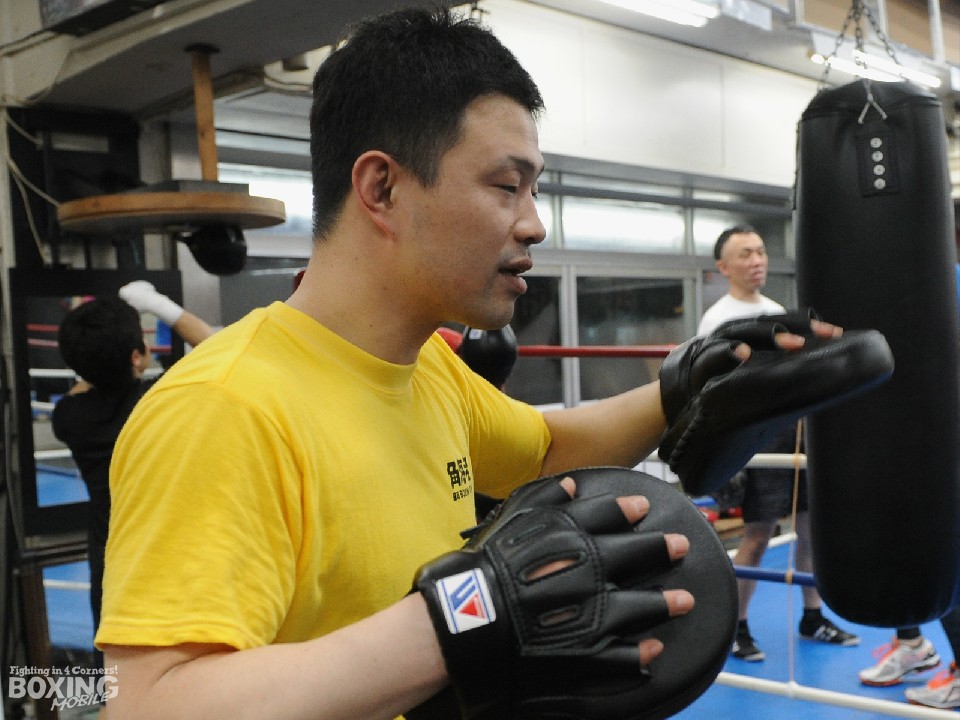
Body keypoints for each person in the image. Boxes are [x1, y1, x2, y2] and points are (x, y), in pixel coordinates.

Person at [95, 10, 848, 719]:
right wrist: (457, 619)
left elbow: (546, 448)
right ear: (381, 187)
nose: (533, 221)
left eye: (534, 187)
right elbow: (150, 702)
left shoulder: (426, 368)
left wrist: (688, 386)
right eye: (505, 185)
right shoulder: (224, 408)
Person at [698, 224, 859, 661]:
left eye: (761, 251)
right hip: (755, 436)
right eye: (746, 253)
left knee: (809, 526)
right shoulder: (719, 319)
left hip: (794, 432)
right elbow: (714, 387)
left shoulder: (775, 309)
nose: (757, 260)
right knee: (758, 533)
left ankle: (813, 615)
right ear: (724, 266)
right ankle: (734, 627)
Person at [51, 281, 213, 666]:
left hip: (113, 567)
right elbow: (215, 346)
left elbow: (84, 386)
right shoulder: (161, 400)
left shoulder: (68, 419)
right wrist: (155, 304)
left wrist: (100, 359)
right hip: (175, 560)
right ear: (137, 358)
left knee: (124, 686)